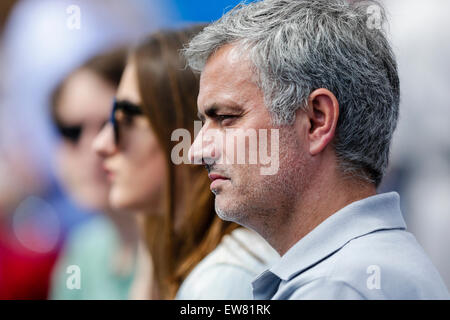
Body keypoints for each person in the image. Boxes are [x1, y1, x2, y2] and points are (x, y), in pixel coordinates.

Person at [184, 0, 450, 299]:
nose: (196, 150)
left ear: (316, 120)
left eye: (225, 118)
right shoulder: (355, 274)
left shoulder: (338, 287)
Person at [93, 25, 278, 300]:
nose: (102, 144)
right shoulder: (183, 259)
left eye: (127, 118)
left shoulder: (223, 280)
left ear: (190, 132)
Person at [49, 48, 139, 300]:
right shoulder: (82, 251)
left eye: (111, 125)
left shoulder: (188, 253)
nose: (94, 148)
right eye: (71, 131)